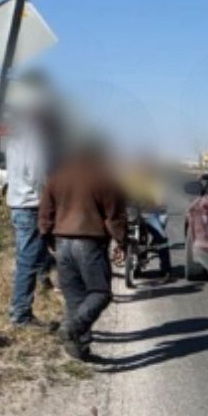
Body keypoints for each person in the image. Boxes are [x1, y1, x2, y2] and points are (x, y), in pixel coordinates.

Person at [39, 145, 126, 361]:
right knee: (100, 292)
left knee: (75, 298)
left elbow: (45, 212)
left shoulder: (57, 176)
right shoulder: (103, 177)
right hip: (89, 242)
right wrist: (122, 242)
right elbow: (115, 215)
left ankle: (81, 350)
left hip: (62, 242)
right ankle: (73, 328)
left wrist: (48, 238)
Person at [6, 112, 54, 328]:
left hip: (17, 204)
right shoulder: (34, 144)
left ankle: (19, 310)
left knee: (25, 259)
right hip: (30, 206)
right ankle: (21, 314)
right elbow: (38, 179)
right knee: (28, 262)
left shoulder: (14, 142)